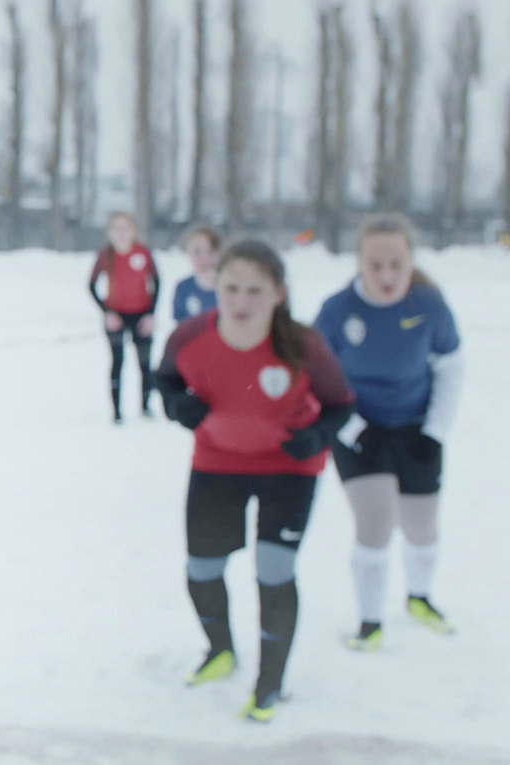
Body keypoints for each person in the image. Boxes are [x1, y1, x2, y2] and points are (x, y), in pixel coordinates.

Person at [154, 240, 355, 723]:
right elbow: (165, 380)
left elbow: (340, 403)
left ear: (279, 294)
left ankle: (271, 681)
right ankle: (220, 649)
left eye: (255, 291)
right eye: (231, 288)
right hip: (217, 463)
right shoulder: (189, 336)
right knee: (203, 567)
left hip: (289, 469)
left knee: (274, 569)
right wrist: (178, 406)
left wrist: (318, 437)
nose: (241, 301)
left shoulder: (302, 345)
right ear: (216, 286)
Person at [312, 214, 464, 651]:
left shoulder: (430, 305)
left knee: (422, 526)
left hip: (416, 428)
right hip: (358, 432)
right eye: (375, 265)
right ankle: (371, 622)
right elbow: (316, 377)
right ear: (358, 262)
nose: (386, 275)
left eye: (396, 264)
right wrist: (357, 429)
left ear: (411, 260)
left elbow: (452, 367)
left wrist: (434, 432)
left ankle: (420, 598)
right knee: (376, 522)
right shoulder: (338, 311)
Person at [89, 211, 161, 422]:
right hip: (116, 317)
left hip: (141, 315)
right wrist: (107, 312)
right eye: (116, 228)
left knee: (145, 363)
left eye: (125, 228)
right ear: (110, 232)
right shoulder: (105, 255)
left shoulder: (143, 253)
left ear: (133, 231)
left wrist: (150, 315)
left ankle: (146, 406)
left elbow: (157, 283)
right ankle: (117, 412)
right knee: (118, 361)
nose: (121, 233)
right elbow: (91, 285)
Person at [172, 226, 221, 323]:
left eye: (210, 251)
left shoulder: (232, 287)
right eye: (197, 251)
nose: (204, 258)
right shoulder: (183, 288)